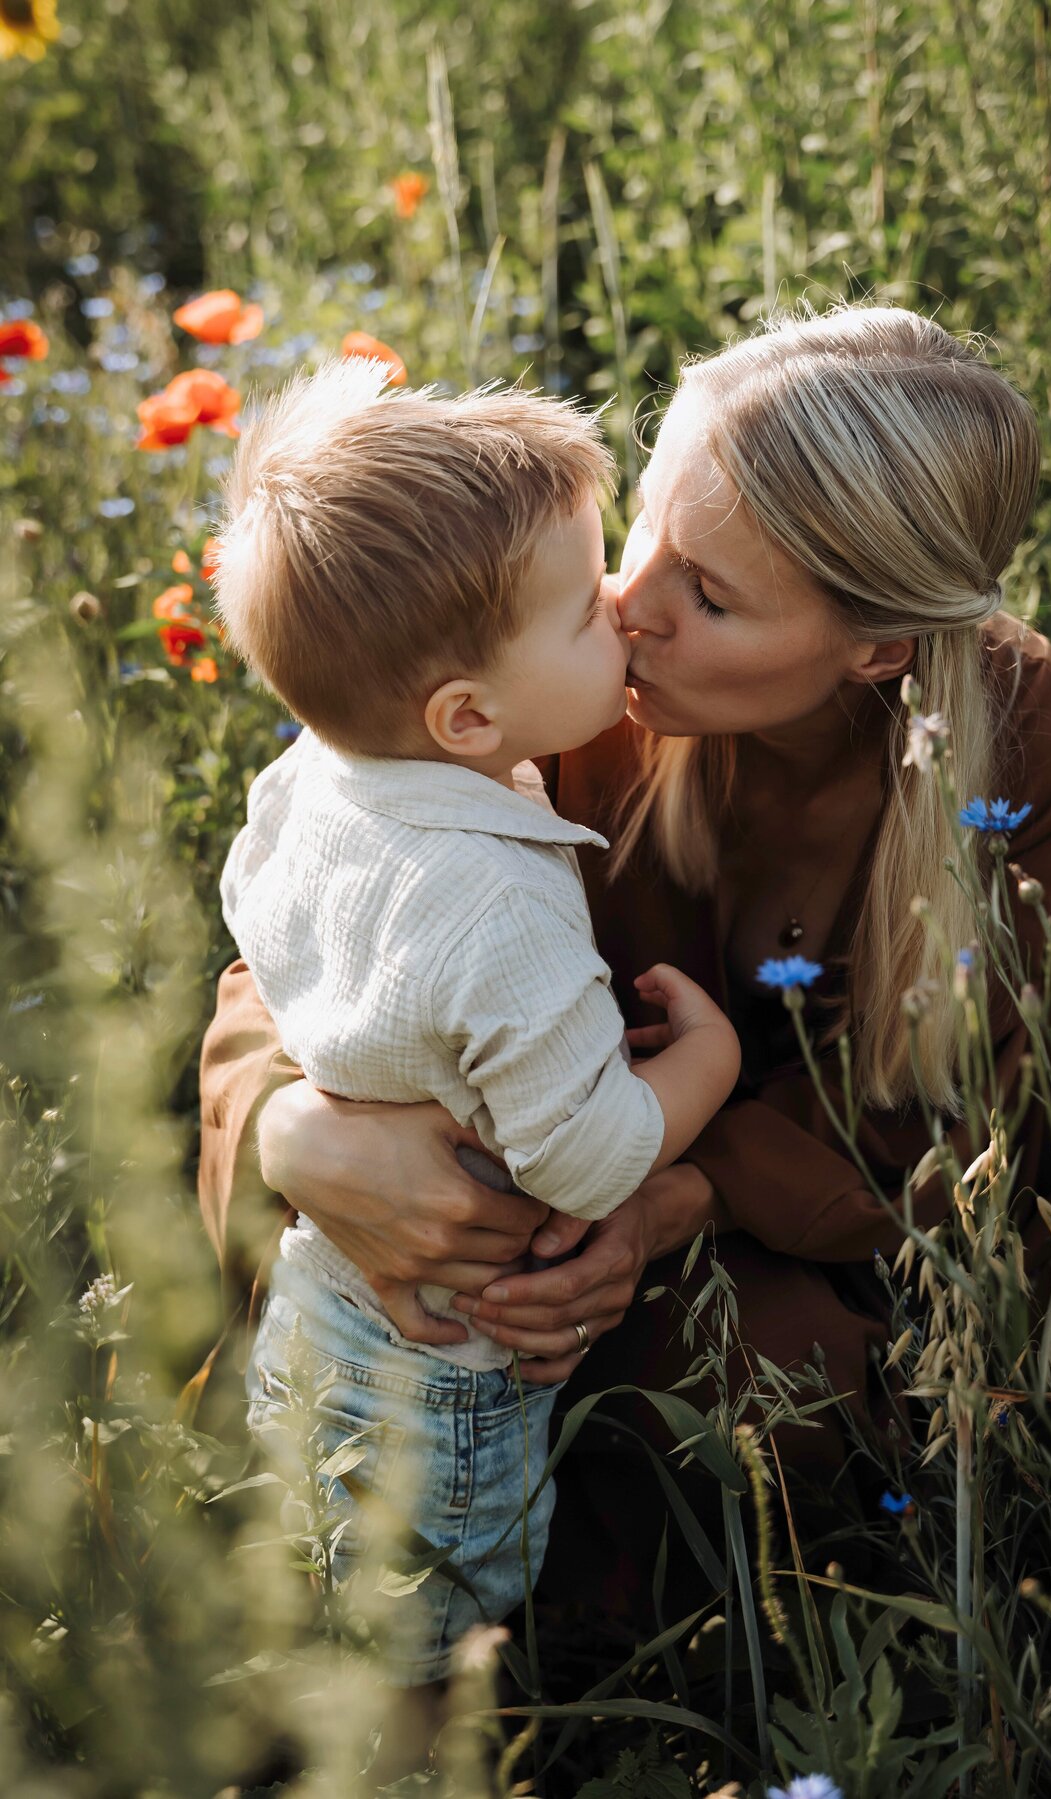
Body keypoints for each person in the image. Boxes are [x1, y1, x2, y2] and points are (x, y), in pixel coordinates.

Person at [199, 302, 1051, 1616]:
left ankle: (1043, 1503)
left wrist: (669, 1200)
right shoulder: (552, 675)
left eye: (707, 592)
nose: (629, 603)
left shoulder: (1022, 739)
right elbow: (316, 919)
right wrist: (298, 1134)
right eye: (644, 522)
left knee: (770, 1369)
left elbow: (945, 1082)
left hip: (808, 1203)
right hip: (524, 1193)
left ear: (876, 647)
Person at [209, 359, 741, 1699]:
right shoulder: (495, 907)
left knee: (320, 1572)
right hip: (457, 1355)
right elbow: (587, 1157)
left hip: (324, 1301)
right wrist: (710, 1064)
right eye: (586, 607)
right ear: (468, 716)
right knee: (439, 1648)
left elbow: (253, 917)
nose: (621, 610)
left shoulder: (320, 776)